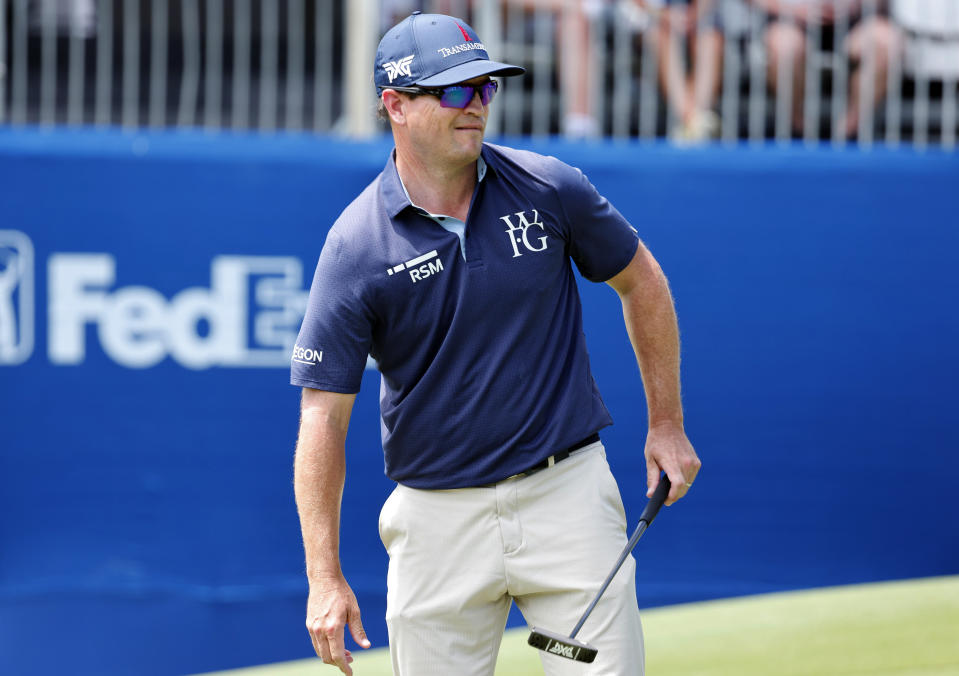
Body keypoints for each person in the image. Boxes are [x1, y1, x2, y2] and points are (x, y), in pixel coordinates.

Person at [290, 11, 700, 675]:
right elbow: (322, 416)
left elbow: (642, 282)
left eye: (484, 89)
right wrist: (323, 576)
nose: (474, 106)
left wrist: (667, 424)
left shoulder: (549, 187)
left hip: (566, 495)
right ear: (394, 105)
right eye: (453, 92)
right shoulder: (355, 245)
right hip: (436, 520)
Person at [747, 0, 902, 138]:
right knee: (784, 47)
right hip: (789, 20)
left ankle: (847, 132)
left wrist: (856, 4)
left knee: (887, 42)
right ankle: (799, 129)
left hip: (856, 21)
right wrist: (794, 10)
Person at [655, 0, 724, 141]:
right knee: (661, 39)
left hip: (699, 19)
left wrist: (694, 15)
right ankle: (694, 122)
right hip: (655, 21)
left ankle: (692, 124)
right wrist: (664, 15)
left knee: (710, 40)